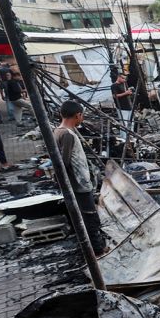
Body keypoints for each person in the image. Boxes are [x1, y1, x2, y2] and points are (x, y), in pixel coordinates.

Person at [52, 100, 105, 255]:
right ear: (78, 115)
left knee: (85, 216)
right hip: (79, 184)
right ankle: (98, 250)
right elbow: (65, 161)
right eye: (82, 116)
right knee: (90, 217)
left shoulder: (58, 131)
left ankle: (91, 248)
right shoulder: (68, 135)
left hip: (74, 184)